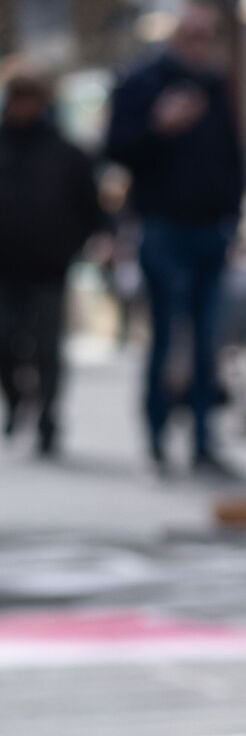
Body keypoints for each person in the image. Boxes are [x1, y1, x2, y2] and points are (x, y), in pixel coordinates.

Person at [104, 2, 246, 481]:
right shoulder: (141, 83)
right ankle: (158, 439)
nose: (199, 45)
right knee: (166, 338)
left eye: (206, 36)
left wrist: (233, 214)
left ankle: (205, 442)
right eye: (190, 35)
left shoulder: (216, 85)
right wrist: (158, 129)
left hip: (211, 229)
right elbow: (114, 150)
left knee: (209, 342)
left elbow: (233, 154)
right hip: (162, 228)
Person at [0, 59, 103, 459]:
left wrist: (74, 245)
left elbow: (90, 208)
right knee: (5, 341)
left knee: (46, 348)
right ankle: (15, 399)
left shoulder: (65, 153)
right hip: (4, 266)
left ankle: (47, 417)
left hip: (49, 266)